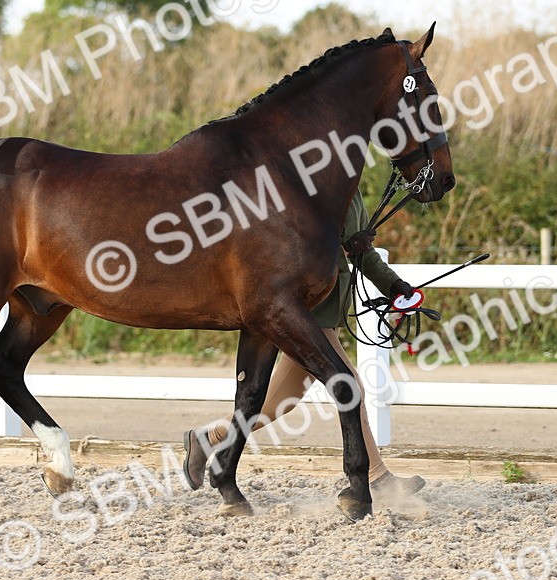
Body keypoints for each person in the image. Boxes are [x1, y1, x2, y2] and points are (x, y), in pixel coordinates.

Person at [182, 195, 426, 500]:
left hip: (326, 311)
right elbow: (300, 244)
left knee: (279, 403)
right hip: (304, 312)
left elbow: (365, 254)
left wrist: (395, 286)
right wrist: (344, 246)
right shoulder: (306, 188)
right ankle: (377, 476)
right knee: (350, 386)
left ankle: (206, 438)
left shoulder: (352, 193)